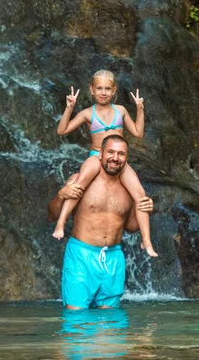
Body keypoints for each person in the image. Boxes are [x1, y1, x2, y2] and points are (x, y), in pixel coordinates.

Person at [53, 70, 157, 257]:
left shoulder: (121, 111)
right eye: (99, 88)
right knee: (79, 183)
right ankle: (61, 222)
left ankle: (146, 241)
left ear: (114, 90)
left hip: (118, 160)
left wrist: (140, 109)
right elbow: (63, 130)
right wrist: (69, 107)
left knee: (140, 194)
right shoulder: (87, 113)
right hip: (96, 156)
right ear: (91, 90)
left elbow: (138, 133)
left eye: (107, 89)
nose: (103, 92)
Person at [47, 135, 153, 309]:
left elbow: (131, 227)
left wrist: (146, 208)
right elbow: (51, 215)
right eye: (110, 152)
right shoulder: (79, 179)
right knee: (76, 317)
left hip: (113, 257)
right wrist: (60, 195)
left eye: (121, 154)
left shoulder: (130, 189)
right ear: (101, 154)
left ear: (126, 158)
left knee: (109, 322)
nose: (115, 158)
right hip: (81, 256)